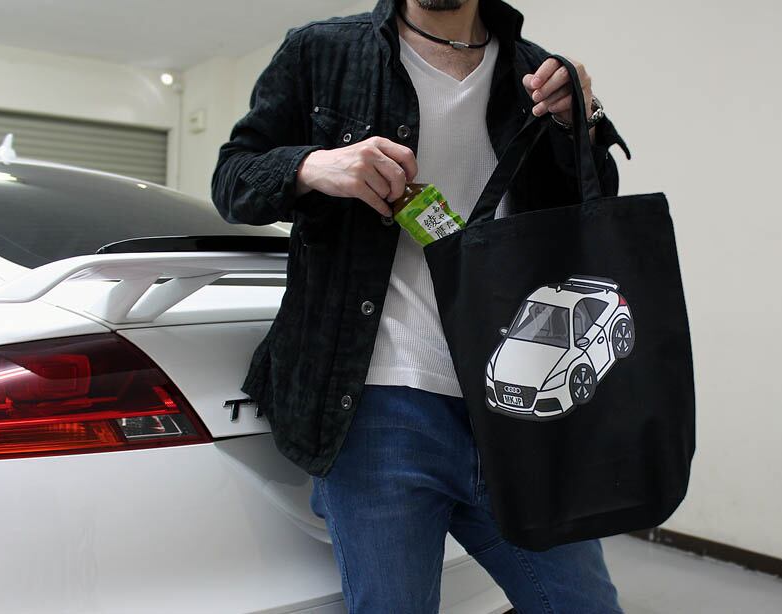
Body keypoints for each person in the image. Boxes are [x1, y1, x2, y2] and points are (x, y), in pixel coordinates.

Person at [212, 0, 631, 611]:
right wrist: (314, 165)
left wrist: (583, 128)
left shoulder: (536, 73)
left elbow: (586, 214)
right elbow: (233, 179)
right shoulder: (323, 52)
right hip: (378, 404)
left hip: (513, 405)